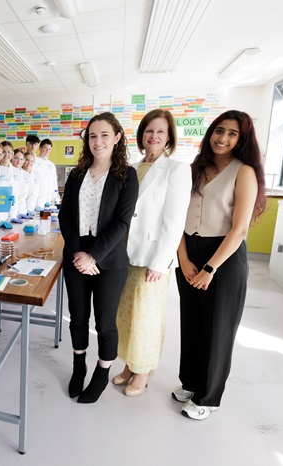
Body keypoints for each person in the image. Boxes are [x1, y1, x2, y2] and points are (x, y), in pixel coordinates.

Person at [174, 110, 266, 420]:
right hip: (190, 249)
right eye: (219, 130)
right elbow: (176, 220)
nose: (222, 138)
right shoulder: (196, 168)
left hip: (223, 257)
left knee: (218, 329)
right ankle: (190, 382)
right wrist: (184, 260)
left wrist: (210, 268)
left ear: (242, 140)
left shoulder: (244, 172)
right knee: (192, 323)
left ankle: (209, 397)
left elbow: (239, 229)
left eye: (232, 134)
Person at [58, 112, 139, 404]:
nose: (98, 141)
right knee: (78, 317)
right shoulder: (77, 173)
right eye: (92, 135)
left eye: (105, 135)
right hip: (77, 254)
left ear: (117, 138)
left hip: (109, 259)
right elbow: (64, 216)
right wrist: (79, 253)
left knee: (105, 322)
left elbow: (122, 221)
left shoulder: (126, 175)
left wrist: (93, 256)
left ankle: (102, 373)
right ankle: (79, 366)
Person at [113, 109, 192, 397]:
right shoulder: (132, 168)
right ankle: (129, 365)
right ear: (141, 135)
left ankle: (144, 370)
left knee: (145, 317)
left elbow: (174, 221)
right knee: (125, 314)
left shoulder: (177, 170)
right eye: (149, 131)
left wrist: (161, 262)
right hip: (125, 253)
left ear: (169, 136)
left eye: (160, 131)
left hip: (151, 257)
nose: (154, 136)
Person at [36, 138, 59, 207]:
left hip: (48, 198)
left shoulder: (51, 165)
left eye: (49, 149)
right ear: (40, 148)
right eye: (45, 147)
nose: (47, 150)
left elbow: (54, 182)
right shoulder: (34, 161)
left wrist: (54, 198)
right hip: (36, 197)